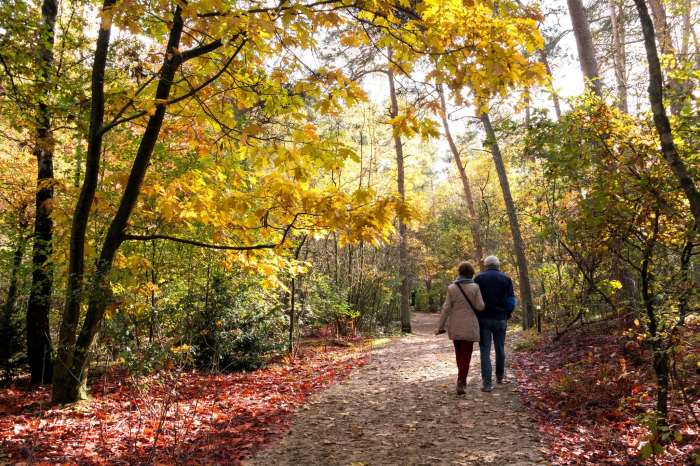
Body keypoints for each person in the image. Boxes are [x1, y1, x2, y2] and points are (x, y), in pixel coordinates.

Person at [435, 261, 485, 395]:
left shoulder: (452, 288)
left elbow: (446, 308)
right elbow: (480, 306)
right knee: (466, 355)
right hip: (470, 325)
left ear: (460, 273)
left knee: (459, 354)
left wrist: (440, 327)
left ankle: (461, 379)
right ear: (471, 273)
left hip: (455, 325)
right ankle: (461, 381)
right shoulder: (475, 287)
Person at [474, 255, 516, 392]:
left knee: (485, 351)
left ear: (486, 265)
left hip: (484, 319)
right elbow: (511, 300)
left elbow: (475, 300)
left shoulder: (479, 279)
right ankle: (500, 377)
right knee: (500, 348)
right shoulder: (506, 279)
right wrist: (507, 313)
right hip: (500, 318)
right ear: (498, 265)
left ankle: (487, 383)